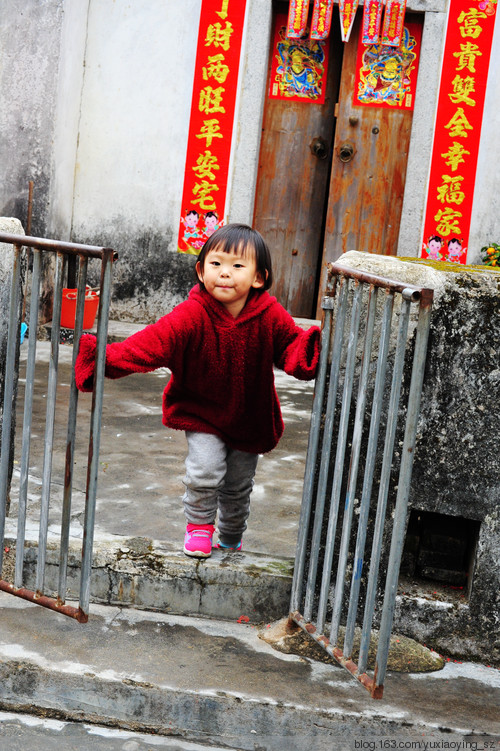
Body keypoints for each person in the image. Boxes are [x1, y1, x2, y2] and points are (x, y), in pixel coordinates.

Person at [75, 224, 321, 558]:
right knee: (204, 472)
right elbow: (152, 344)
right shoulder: (192, 314)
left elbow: (293, 346)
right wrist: (102, 358)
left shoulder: (269, 316)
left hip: (250, 416)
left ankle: (232, 536)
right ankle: (199, 528)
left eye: (237, 266)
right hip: (201, 411)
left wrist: (317, 350)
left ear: (259, 278)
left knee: (238, 485)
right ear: (201, 271)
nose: (224, 273)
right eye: (216, 264)